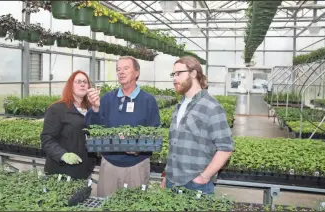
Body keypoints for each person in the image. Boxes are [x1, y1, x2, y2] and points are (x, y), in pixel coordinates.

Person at [85, 56, 160, 197]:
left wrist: (138, 149)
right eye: (118, 69)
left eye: (126, 68)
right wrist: (95, 109)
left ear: (137, 72)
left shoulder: (148, 101)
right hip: (109, 164)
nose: (121, 72)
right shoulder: (107, 99)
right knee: (106, 203)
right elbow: (91, 128)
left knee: (134, 204)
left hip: (137, 165)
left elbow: (154, 134)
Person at [160, 56, 234, 194]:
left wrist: (203, 178)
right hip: (172, 181)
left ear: (193, 74)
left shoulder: (212, 107)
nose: (174, 78)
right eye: (173, 74)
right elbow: (174, 145)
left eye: (179, 73)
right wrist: (166, 174)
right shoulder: (179, 106)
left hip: (195, 184)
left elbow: (225, 148)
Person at [41, 70, 97, 179]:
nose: (82, 84)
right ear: (70, 86)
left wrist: (96, 109)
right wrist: (62, 155)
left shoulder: (91, 109)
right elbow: (47, 139)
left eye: (85, 82)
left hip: (85, 169)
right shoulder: (57, 109)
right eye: (78, 81)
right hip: (62, 170)